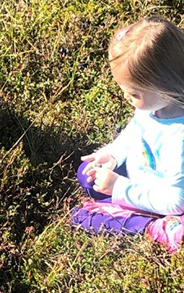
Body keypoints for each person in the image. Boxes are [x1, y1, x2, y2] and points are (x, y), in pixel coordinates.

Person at [78, 16, 184, 216]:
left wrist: (119, 188)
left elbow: (176, 201)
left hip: (160, 196)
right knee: (86, 173)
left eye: (134, 94)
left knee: (85, 217)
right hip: (140, 176)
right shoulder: (151, 106)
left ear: (166, 87)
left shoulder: (179, 138)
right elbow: (135, 132)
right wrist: (113, 155)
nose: (126, 97)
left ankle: (147, 223)